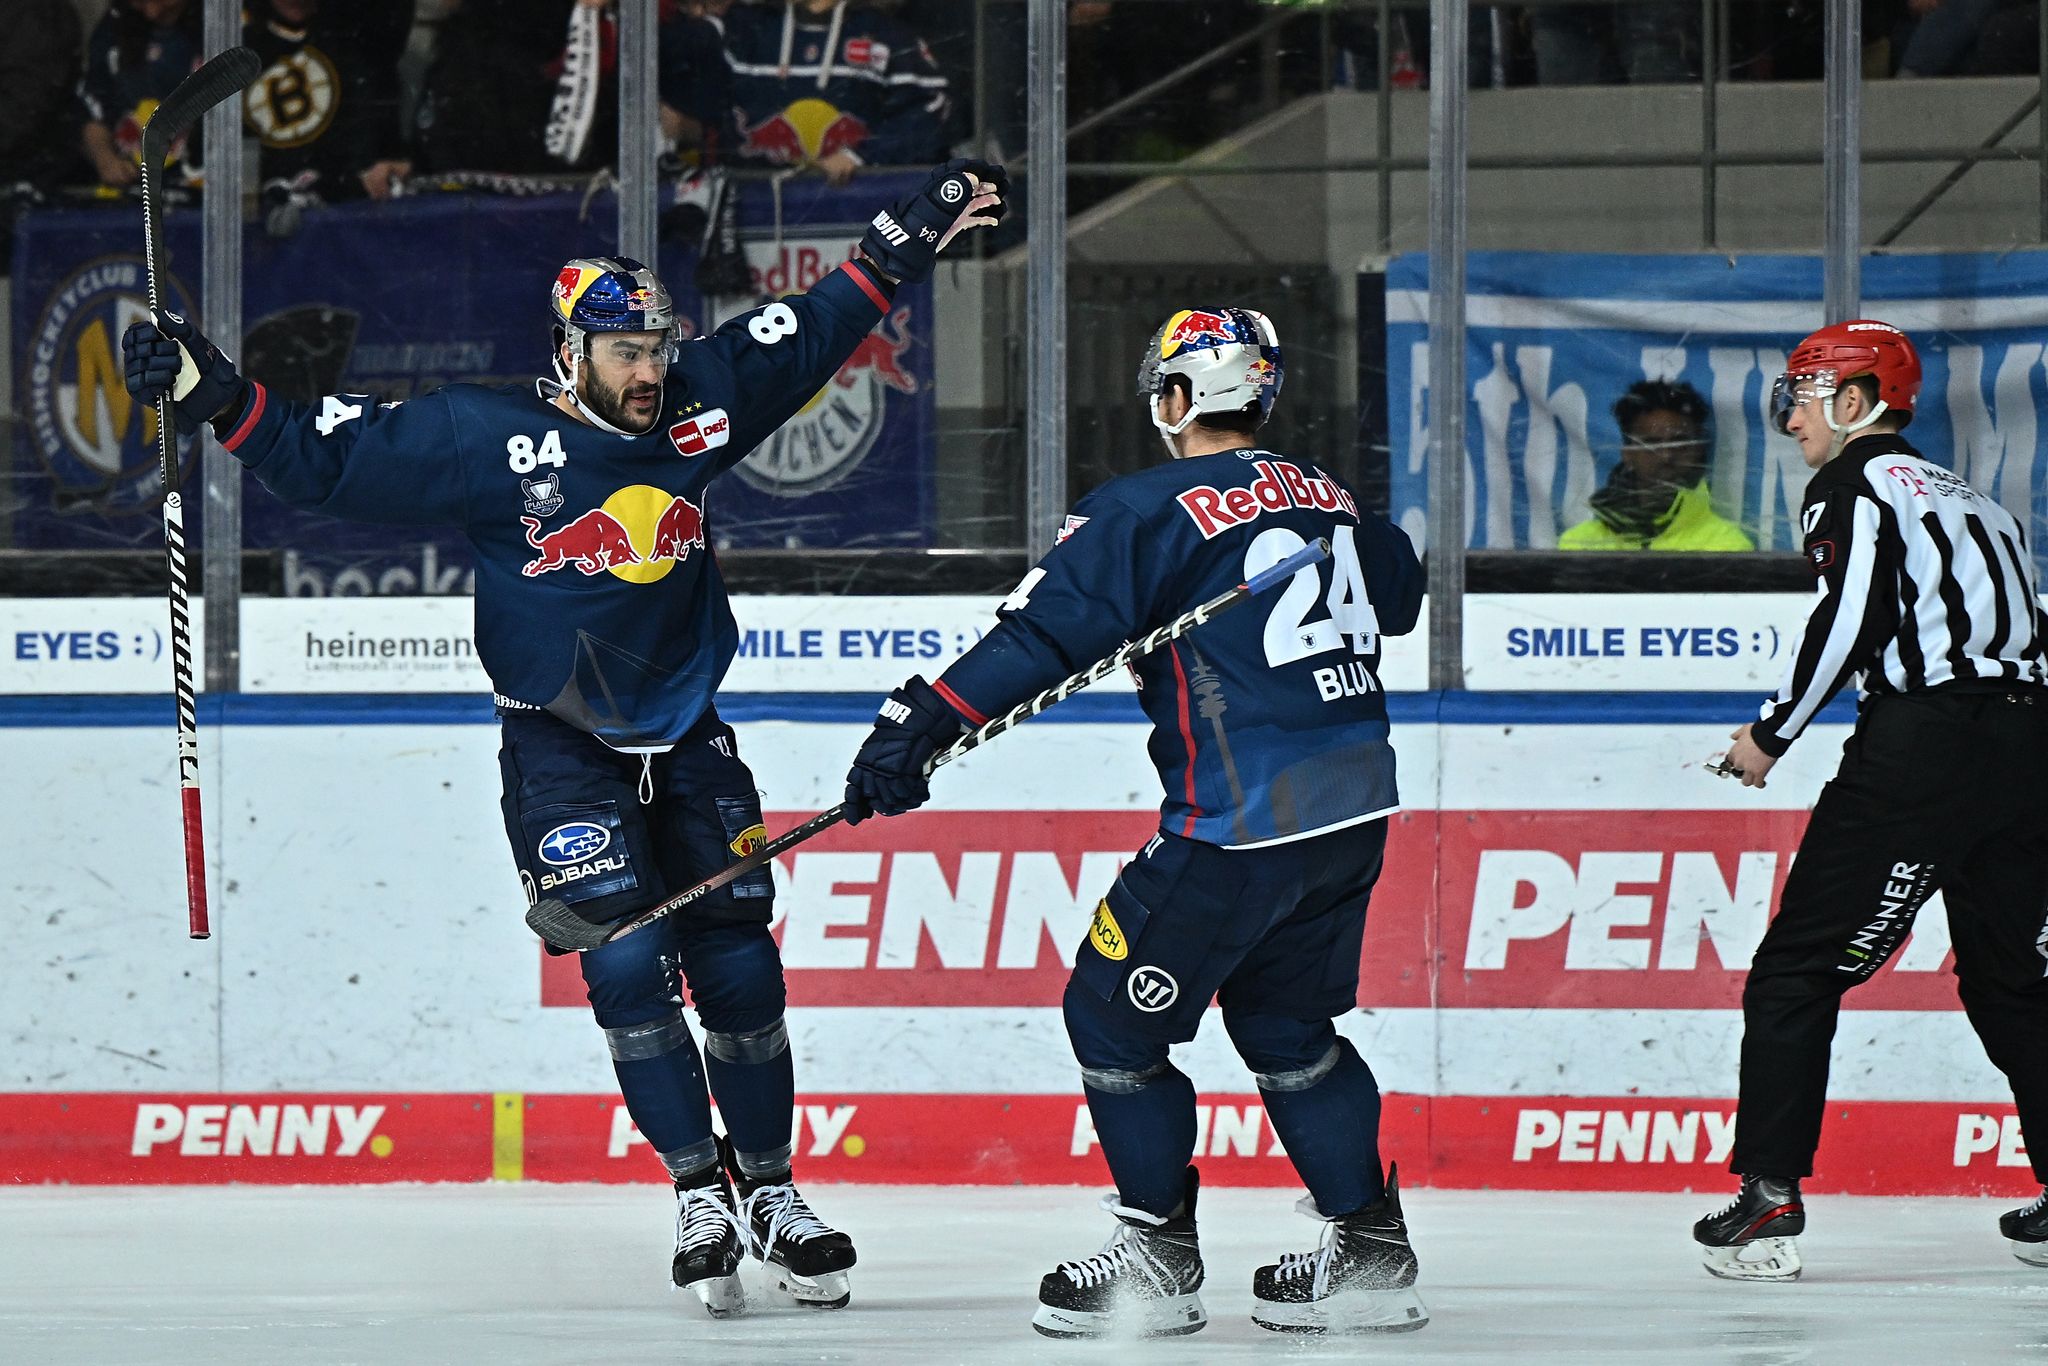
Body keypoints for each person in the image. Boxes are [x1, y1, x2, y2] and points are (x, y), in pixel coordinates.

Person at [121, 159, 1008, 1315]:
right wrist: (207, 389)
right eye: (624, 353)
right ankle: (699, 1190)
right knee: (629, 963)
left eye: (655, 348)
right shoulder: (484, 437)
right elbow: (322, 459)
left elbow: (820, 322)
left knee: (742, 971)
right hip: (558, 745)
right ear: (570, 353)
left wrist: (910, 230)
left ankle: (774, 1190)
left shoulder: (700, 402)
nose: (647, 372)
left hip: (690, 737)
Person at [840, 307, 1429, 1337]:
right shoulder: (1327, 496)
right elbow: (1403, 592)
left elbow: (1042, 634)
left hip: (1240, 818)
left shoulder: (1145, 506)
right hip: (1354, 806)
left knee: (1109, 1014)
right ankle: (1369, 1254)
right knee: (1288, 1026)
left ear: (1175, 398)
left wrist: (915, 728)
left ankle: (1157, 1253)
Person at [1696, 319, 2048, 1281]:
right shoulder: (1982, 503)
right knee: (2014, 981)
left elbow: (1850, 614)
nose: (1790, 420)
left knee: (1795, 973)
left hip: (1926, 750)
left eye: (1803, 398)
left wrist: (1772, 732)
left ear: (1854, 404)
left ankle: (1768, 1201)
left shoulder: (1851, 483)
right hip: (2026, 750)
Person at [718, 0, 950, 185]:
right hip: (754, 205)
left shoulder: (885, 34)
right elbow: (716, 116)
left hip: (858, 206)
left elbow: (930, 108)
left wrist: (860, 157)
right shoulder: (745, 31)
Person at [1559, 379, 1753, 551]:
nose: (1666, 456)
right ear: (1627, 454)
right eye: (1651, 444)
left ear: (1699, 451)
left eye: (1680, 443)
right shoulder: (1580, 545)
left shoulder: (1727, 548)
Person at [76, 0, 205, 192]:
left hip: (204, 189)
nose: (151, 12)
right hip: (131, 189)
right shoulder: (115, 25)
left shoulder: (224, 24)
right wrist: (106, 160)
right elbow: (92, 107)